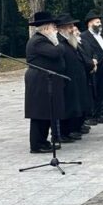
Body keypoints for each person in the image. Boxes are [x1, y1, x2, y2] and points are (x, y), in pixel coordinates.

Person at [24, 11, 66, 153]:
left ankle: (43, 141)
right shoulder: (38, 41)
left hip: (47, 80)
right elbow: (55, 53)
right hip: (39, 81)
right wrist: (58, 42)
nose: (56, 30)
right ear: (46, 28)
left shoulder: (44, 40)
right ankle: (37, 144)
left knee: (47, 112)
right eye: (54, 27)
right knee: (39, 113)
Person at [56, 14, 89, 142]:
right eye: (70, 26)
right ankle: (61, 133)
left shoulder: (70, 40)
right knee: (65, 107)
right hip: (66, 79)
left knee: (72, 106)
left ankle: (69, 130)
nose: (72, 29)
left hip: (75, 78)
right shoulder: (59, 41)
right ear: (61, 28)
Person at [80, 11, 103, 124]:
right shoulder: (84, 36)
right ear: (90, 23)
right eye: (97, 22)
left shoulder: (101, 35)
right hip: (94, 67)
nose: (99, 24)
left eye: (100, 22)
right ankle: (90, 115)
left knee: (102, 91)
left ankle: (98, 113)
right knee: (93, 92)